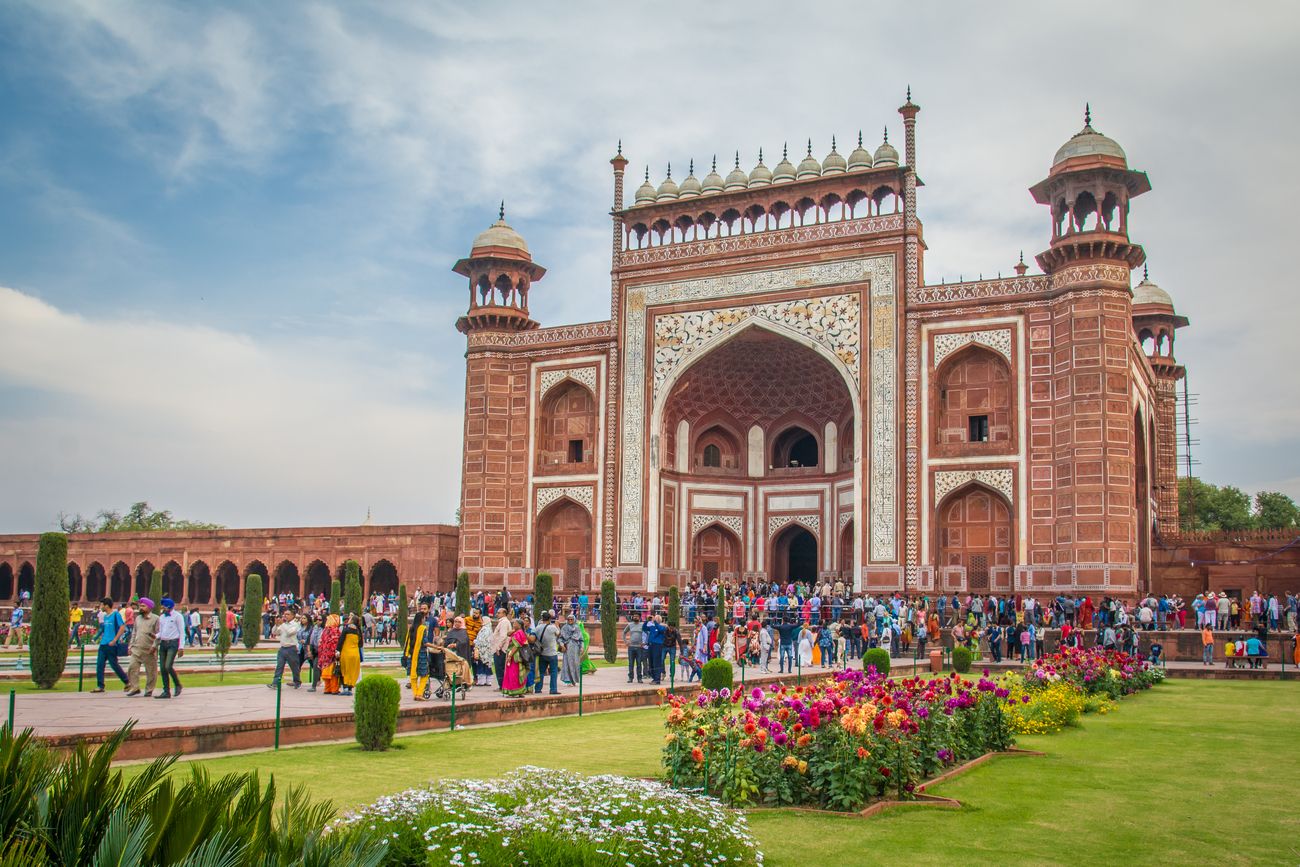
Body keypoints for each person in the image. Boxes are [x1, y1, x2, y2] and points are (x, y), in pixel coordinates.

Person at [91, 597, 129, 693]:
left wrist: (115, 640)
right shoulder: (106, 616)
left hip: (112, 645)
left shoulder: (115, 614)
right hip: (103, 644)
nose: (101, 607)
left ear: (106, 605)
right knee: (100, 665)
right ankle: (100, 686)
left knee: (114, 665)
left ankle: (127, 682)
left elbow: (122, 627)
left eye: (102, 605)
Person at [125, 598, 160, 698]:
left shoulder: (156, 619)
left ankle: (149, 690)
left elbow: (158, 635)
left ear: (149, 608)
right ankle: (135, 687)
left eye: (143, 606)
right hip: (137, 648)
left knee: (151, 671)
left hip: (149, 649)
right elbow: (134, 632)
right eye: (140, 606)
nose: (141, 608)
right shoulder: (138, 618)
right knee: (132, 668)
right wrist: (130, 645)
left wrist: (154, 646)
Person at [154, 597, 185, 699]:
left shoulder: (178, 616)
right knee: (163, 669)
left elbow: (182, 632)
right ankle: (166, 691)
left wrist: (181, 647)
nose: (163, 607)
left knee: (168, 666)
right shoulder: (162, 617)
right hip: (163, 643)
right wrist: (155, 636)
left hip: (173, 643)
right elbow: (162, 632)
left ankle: (177, 684)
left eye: (164, 606)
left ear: (169, 606)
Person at [268, 611, 303, 690]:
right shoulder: (284, 625)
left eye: (288, 614)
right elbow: (275, 632)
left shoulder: (296, 624)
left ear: (293, 615)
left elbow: (289, 633)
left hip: (291, 648)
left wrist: (282, 624)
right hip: (282, 648)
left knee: (294, 667)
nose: (285, 616)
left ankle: (297, 681)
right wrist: (276, 624)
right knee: (279, 666)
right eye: (285, 614)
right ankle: (275, 683)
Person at [533, 611, 560, 695]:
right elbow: (558, 634)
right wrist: (557, 626)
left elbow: (534, 636)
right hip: (552, 653)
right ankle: (553, 689)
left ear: (542, 618)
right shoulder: (552, 627)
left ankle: (538, 688)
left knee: (541, 672)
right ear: (549, 619)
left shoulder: (538, 627)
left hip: (542, 653)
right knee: (554, 672)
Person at [503, 619, 529, 698]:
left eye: (515, 623)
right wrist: (513, 629)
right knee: (518, 673)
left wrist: (510, 655)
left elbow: (516, 645)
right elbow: (508, 634)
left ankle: (513, 691)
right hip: (518, 656)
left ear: (519, 625)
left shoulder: (519, 633)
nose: (513, 624)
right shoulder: (518, 632)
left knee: (513, 673)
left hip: (515, 656)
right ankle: (520, 691)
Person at [338, 614, 363, 695]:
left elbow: (341, 640)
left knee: (344, 670)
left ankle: (345, 688)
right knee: (352, 671)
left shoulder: (346, 629)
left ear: (351, 621)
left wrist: (337, 650)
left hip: (346, 652)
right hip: (355, 653)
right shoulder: (358, 631)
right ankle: (350, 689)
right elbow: (361, 644)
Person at [319, 614, 342, 694]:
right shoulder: (335, 630)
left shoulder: (325, 630)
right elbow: (335, 642)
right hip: (332, 655)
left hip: (324, 655)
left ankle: (327, 689)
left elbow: (321, 643)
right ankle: (334, 689)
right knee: (333, 673)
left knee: (326, 672)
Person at [490, 610, 512, 690]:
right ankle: (503, 685)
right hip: (501, 648)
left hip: (501, 649)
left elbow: (503, 636)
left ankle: (502, 686)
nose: (497, 614)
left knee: (499, 668)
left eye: (499, 613)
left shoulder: (504, 622)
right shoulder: (503, 622)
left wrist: (498, 648)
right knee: (501, 667)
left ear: (504, 614)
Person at [559, 614, 583, 685]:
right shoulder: (564, 628)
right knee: (567, 664)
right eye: (568, 619)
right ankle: (567, 680)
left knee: (575, 664)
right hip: (567, 648)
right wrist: (562, 645)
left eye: (571, 619)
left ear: (574, 620)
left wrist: (582, 647)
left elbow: (581, 639)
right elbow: (560, 638)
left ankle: (574, 680)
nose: (570, 621)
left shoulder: (577, 628)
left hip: (575, 649)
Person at [622, 611, 645, 683]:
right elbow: (624, 632)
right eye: (634, 616)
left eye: (637, 616)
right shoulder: (630, 625)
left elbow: (648, 633)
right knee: (631, 663)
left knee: (639, 663)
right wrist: (626, 641)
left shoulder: (642, 625)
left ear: (640, 617)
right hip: (631, 647)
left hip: (639, 647)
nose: (635, 617)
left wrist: (645, 642)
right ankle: (630, 678)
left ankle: (639, 678)